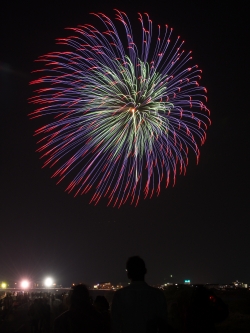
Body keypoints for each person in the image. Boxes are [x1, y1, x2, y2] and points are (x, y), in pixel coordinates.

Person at [111, 256, 169, 333]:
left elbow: (115, 326)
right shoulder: (157, 295)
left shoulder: (119, 295)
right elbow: (163, 324)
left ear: (128, 274)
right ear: (145, 271)